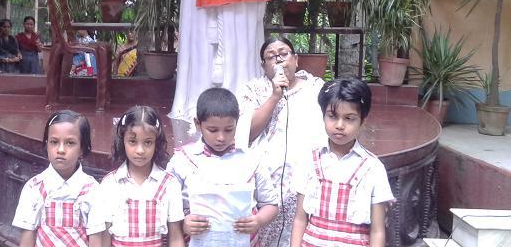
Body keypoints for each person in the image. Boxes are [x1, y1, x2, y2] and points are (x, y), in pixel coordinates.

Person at [234, 37, 327, 246]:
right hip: (266, 182)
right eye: (271, 56)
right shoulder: (252, 90)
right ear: (263, 66)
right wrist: (274, 96)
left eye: (283, 54)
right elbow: (245, 133)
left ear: (296, 59)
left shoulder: (316, 88)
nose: (278, 60)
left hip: (305, 177)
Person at [166, 88, 281, 247]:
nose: (221, 137)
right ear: (198, 124)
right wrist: (183, 223)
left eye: (228, 130)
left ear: (237, 124)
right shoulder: (182, 161)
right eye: (212, 130)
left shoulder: (251, 160)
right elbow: (168, 207)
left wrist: (258, 220)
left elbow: (271, 205)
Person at [290, 78, 394, 247]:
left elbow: (377, 231)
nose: (339, 125)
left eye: (349, 118)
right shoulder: (309, 161)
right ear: (323, 116)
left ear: (363, 121)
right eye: (332, 116)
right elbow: (300, 220)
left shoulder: (373, 168)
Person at [94, 106, 185, 246]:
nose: (140, 150)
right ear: (122, 141)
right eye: (132, 141)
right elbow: (105, 237)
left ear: (157, 143)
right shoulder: (110, 184)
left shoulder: (169, 185)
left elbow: (176, 238)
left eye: (148, 142)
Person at [12, 110, 105, 247]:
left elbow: (96, 240)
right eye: (54, 142)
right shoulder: (34, 187)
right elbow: (27, 238)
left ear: (82, 149)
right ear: (46, 145)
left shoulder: (92, 190)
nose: (61, 149)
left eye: (70, 143)